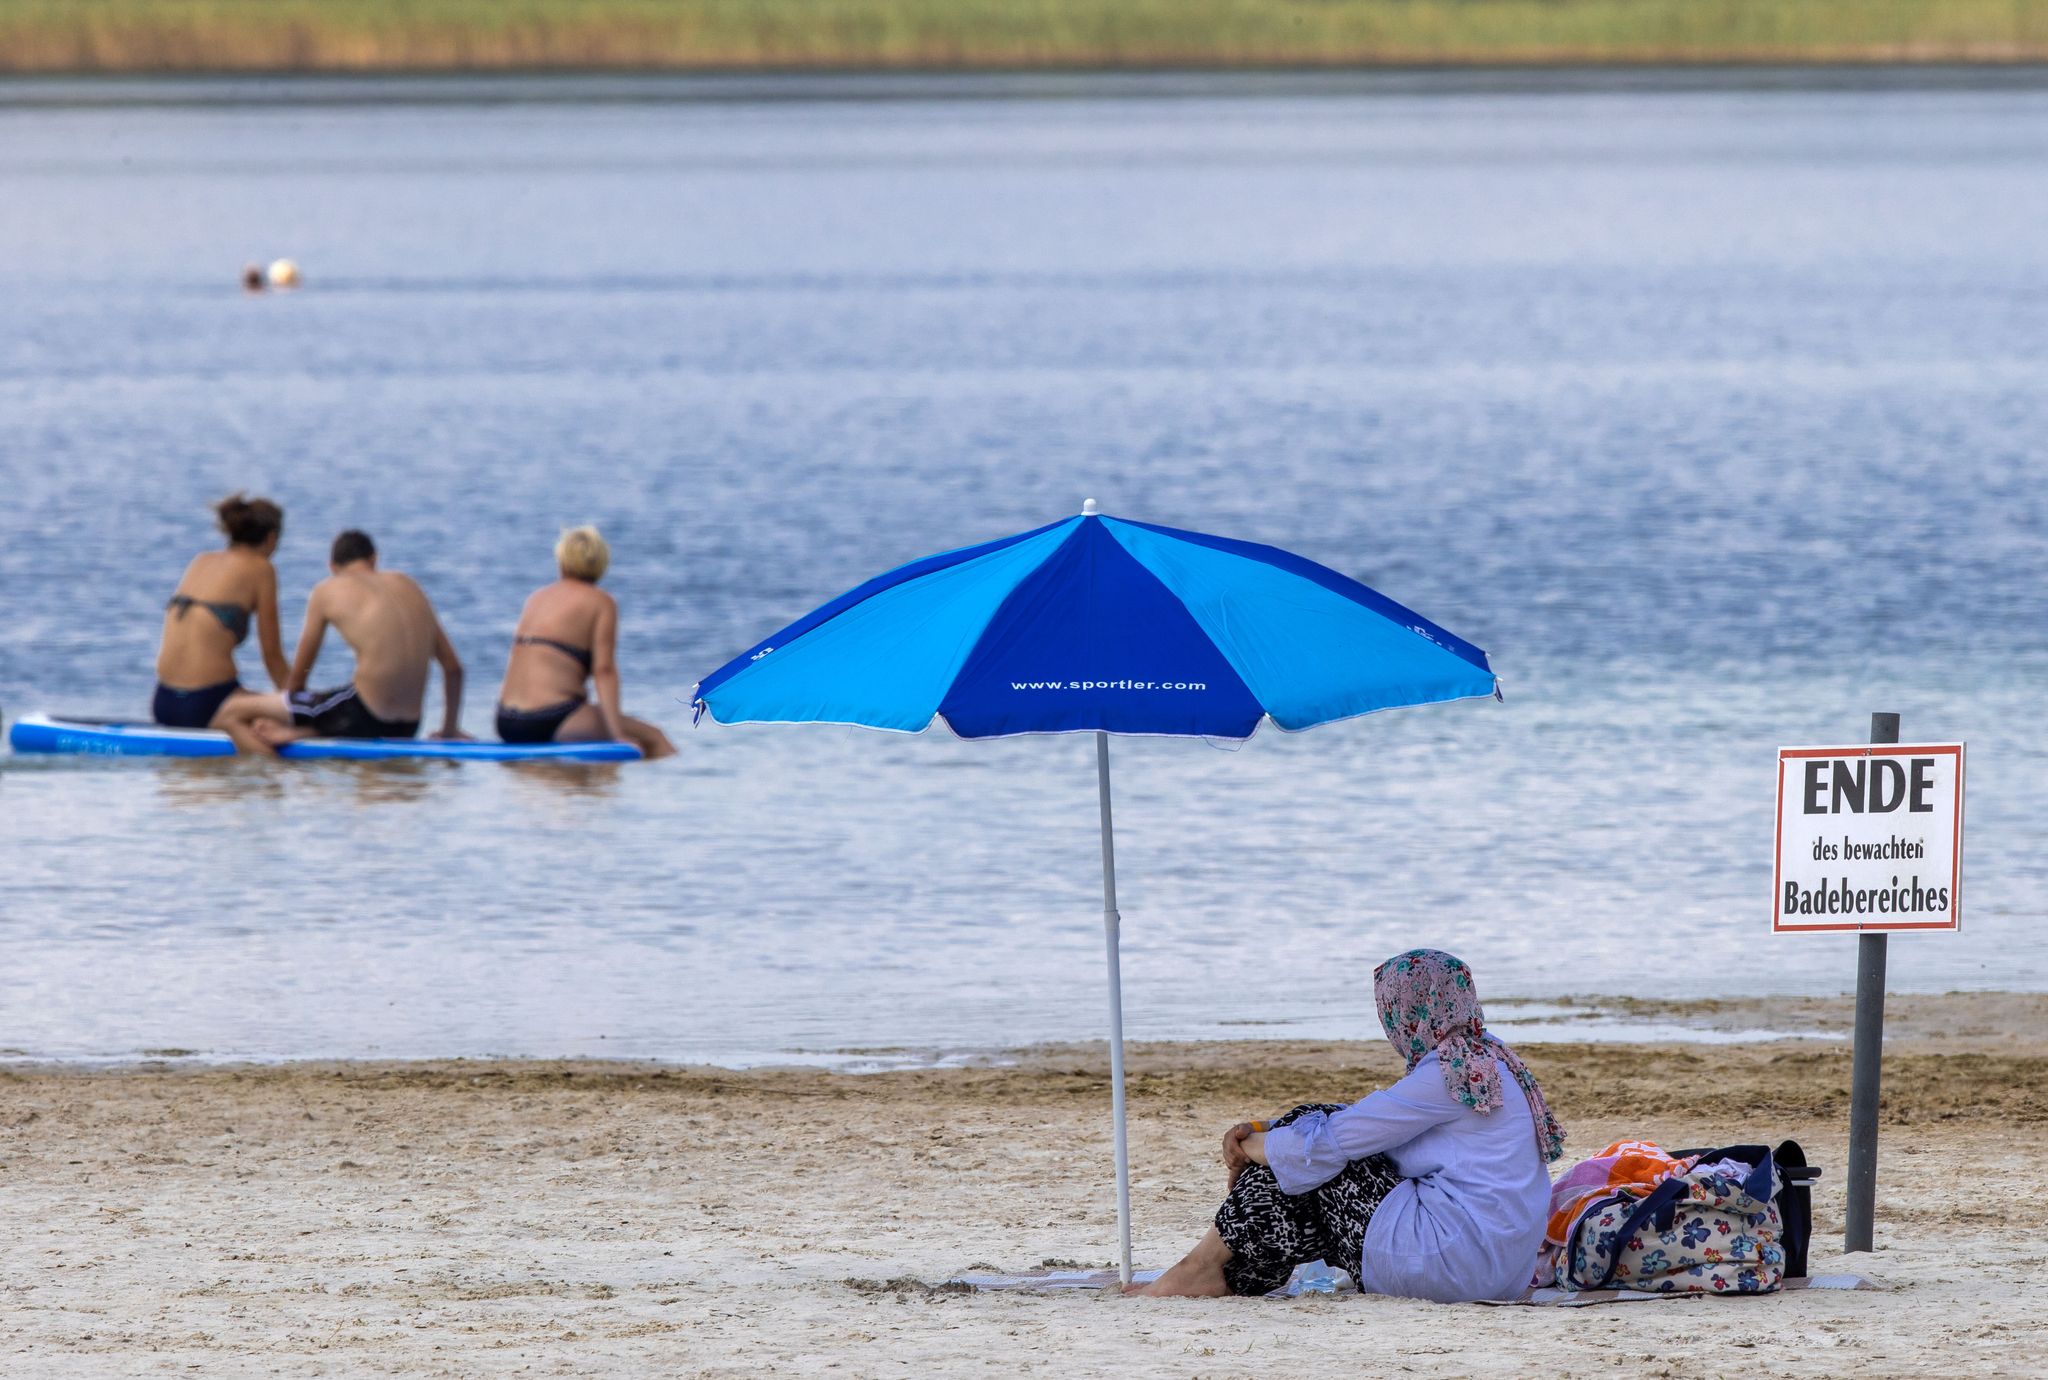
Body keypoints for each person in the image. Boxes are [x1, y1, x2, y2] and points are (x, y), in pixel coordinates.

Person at [1128, 949, 1565, 1303]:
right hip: (1500, 1272)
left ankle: (1196, 1268)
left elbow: (1334, 1141)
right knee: (1305, 1153)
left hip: (1446, 1264)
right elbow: (1375, 1122)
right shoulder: (1486, 1060)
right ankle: (1229, 1279)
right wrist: (1269, 1130)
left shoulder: (1446, 1075)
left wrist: (1254, 1146)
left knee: (1310, 1140)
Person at [215, 530, 466, 753]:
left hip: (364, 716)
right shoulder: (410, 585)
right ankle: (305, 732)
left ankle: (277, 777)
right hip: (408, 726)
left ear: (332, 567)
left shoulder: (327, 589)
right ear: (374, 560)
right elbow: (454, 668)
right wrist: (449, 731)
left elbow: (300, 674)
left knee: (230, 712)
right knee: (329, 704)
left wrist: (288, 713)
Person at [494, 525, 675, 760]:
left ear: (562, 561)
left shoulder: (537, 598)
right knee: (655, 738)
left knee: (590, 779)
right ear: (601, 563)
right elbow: (604, 670)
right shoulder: (601, 602)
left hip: (506, 721)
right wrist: (617, 733)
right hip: (551, 719)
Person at [153, 495, 290, 729]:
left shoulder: (202, 560)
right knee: (283, 715)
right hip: (207, 704)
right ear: (271, 538)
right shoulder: (262, 570)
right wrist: (299, 707)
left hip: (163, 702)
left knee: (260, 704)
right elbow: (272, 657)